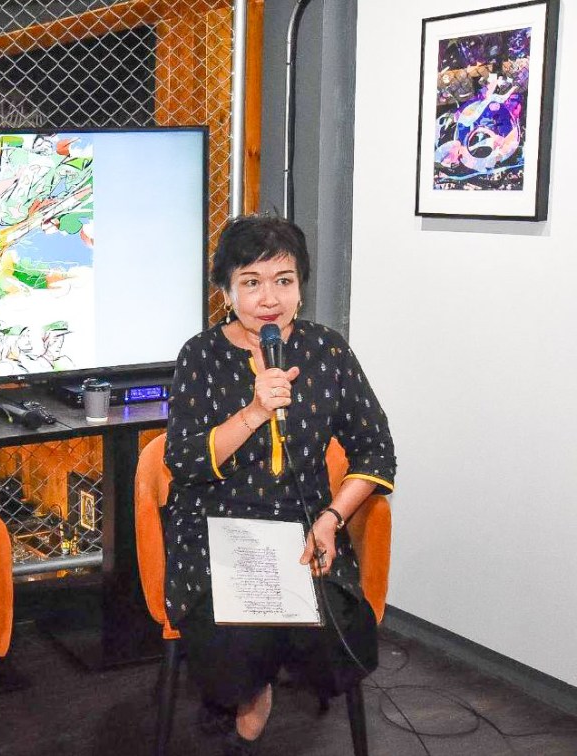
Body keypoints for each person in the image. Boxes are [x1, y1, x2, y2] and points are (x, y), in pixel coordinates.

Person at [163, 215, 396, 755]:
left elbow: (376, 449)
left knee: (337, 634)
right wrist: (253, 411)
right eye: (251, 282)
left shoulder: (328, 352)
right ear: (226, 291)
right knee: (239, 641)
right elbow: (184, 460)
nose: (269, 298)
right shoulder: (201, 355)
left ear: (300, 287)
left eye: (283, 280)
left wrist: (332, 518)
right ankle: (245, 722)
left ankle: (251, 698)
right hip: (216, 529)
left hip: (304, 530)